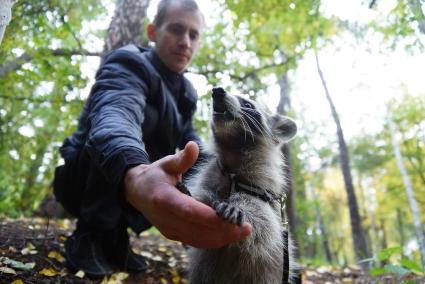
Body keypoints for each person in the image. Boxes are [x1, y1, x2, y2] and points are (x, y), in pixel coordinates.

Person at [53, 0, 252, 278]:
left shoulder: (186, 92)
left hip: (142, 183)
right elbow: (115, 115)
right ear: (152, 31)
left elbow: (190, 146)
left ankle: (115, 236)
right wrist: (136, 172)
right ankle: (90, 232)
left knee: (191, 157)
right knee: (139, 123)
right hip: (84, 177)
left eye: (194, 35)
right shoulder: (129, 61)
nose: (185, 41)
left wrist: (235, 182)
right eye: (176, 29)